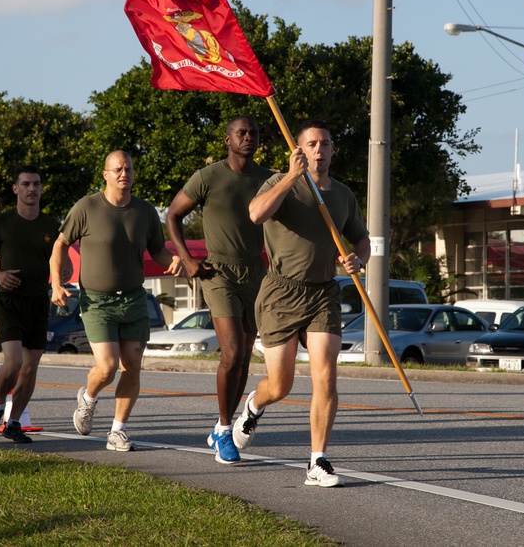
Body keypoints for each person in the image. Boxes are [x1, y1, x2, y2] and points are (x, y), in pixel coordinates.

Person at [235, 120, 370, 488]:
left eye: (325, 143)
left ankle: (317, 460)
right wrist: (290, 178)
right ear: (299, 150)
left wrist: (359, 259)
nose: (318, 150)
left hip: (324, 292)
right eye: (311, 144)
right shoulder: (281, 183)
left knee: (325, 375)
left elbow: (362, 240)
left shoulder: (342, 195)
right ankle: (253, 406)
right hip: (281, 292)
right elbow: (256, 213)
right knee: (281, 385)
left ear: (332, 149)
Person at [50, 150, 182, 452]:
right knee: (107, 367)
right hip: (97, 302)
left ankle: (118, 431)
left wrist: (172, 259)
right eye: (118, 169)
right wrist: (57, 282)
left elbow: (157, 250)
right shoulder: (87, 207)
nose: (125, 173)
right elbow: (60, 243)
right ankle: (88, 398)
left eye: (129, 169)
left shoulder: (146, 211)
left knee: (132, 367)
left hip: (134, 299)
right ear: (106, 174)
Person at [166, 116, 273, 464]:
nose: (248, 137)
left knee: (244, 354)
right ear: (227, 139)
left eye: (253, 133)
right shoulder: (208, 176)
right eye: (241, 133)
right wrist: (187, 258)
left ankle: (219, 427)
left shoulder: (268, 179)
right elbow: (172, 216)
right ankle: (226, 430)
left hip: (256, 271)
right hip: (218, 271)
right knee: (230, 351)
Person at [0, 165, 65, 443]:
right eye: (25, 184)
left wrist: (62, 276)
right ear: (16, 189)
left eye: (36, 184)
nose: (32, 189)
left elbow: (61, 257)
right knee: (13, 363)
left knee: (30, 368)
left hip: (39, 303)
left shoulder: (51, 225)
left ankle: (13, 423)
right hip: (11, 302)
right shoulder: (1, 223)